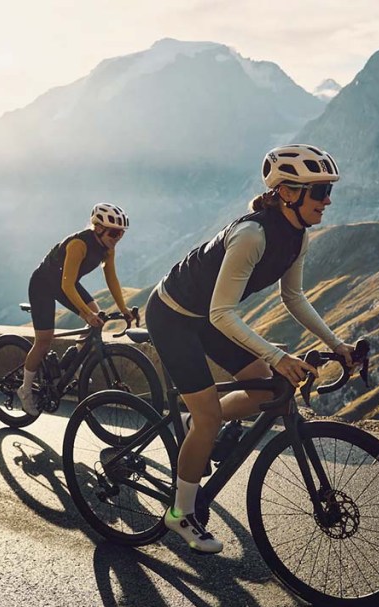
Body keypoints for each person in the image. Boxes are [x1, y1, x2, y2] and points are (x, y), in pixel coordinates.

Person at [145, 144, 357, 553]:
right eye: (319, 192)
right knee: (210, 418)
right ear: (287, 192)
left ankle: (195, 429)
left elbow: (293, 297)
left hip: (207, 316)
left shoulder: (298, 237)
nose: (328, 200)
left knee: (262, 387)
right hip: (172, 315)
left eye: (329, 190)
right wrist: (279, 356)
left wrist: (336, 343)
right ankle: (180, 514)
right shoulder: (251, 234)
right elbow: (224, 313)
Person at [16, 203, 134, 415]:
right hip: (43, 285)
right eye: (114, 233)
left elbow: (112, 279)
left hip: (66, 283)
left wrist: (124, 308)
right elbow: (67, 286)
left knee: (96, 316)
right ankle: (25, 390)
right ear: (98, 227)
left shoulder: (108, 248)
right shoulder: (79, 244)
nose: (117, 238)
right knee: (44, 341)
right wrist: (85, 314)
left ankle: (75, 362)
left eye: (121, 234)